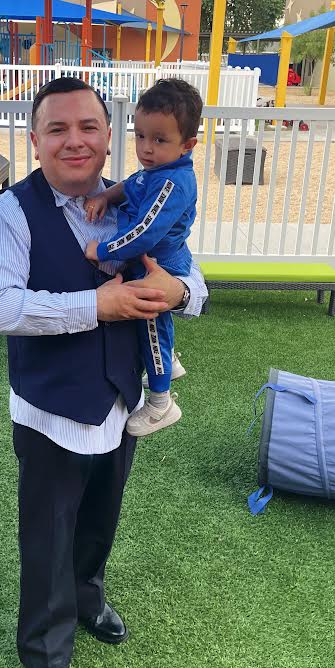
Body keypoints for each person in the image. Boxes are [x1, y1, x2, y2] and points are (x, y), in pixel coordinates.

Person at [0, 77, 207, 668]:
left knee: (102, 514)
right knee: (49, 532)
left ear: (107, 137)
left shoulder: (139, 197)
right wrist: (96, 305)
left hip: (122, 398)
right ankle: (45, 649)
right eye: (58, 128)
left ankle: (88, 596)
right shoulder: (10, 214)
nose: (75, 140)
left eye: (89, 127)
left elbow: (190, 273)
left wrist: (181, 293)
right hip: (51, 408)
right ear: (35, 139)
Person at [84, 78, 200, 436]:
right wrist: (107, 196)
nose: (146, 148)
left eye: (160, 140)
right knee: (154, 329)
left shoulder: (171, 183)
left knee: (151, 328)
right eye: (141, 136)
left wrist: (102, 250)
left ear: (188, 145)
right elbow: (132, 184)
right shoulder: (158, 170)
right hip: (155, 261)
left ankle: (161, 403)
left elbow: (143, 233)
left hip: (156, 268)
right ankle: (170, 362)